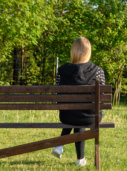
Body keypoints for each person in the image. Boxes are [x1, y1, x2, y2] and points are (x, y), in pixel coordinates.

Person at [51, 37, 105, 166]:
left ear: (73, 51)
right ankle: (80, 159)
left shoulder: (62, 71)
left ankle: (60, 145)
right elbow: (102, 97)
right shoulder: (98, 70)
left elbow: (59, 95)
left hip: (67, 116)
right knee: (80, 112)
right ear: (89, 52)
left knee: (74, 112)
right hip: (91, 117)